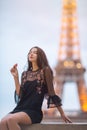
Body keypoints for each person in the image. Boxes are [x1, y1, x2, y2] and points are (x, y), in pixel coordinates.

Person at [0, 46, 72, 130]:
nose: (31, 54)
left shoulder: (45, 70)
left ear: (40, 56)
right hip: (20, 108)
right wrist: (16, 77)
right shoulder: (25, 74)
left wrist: (62, 113)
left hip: (33, 111)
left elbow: (52, 93)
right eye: (30, 52)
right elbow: (20, 94)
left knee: (10, 119)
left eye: (35, 52)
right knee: (2, 122)